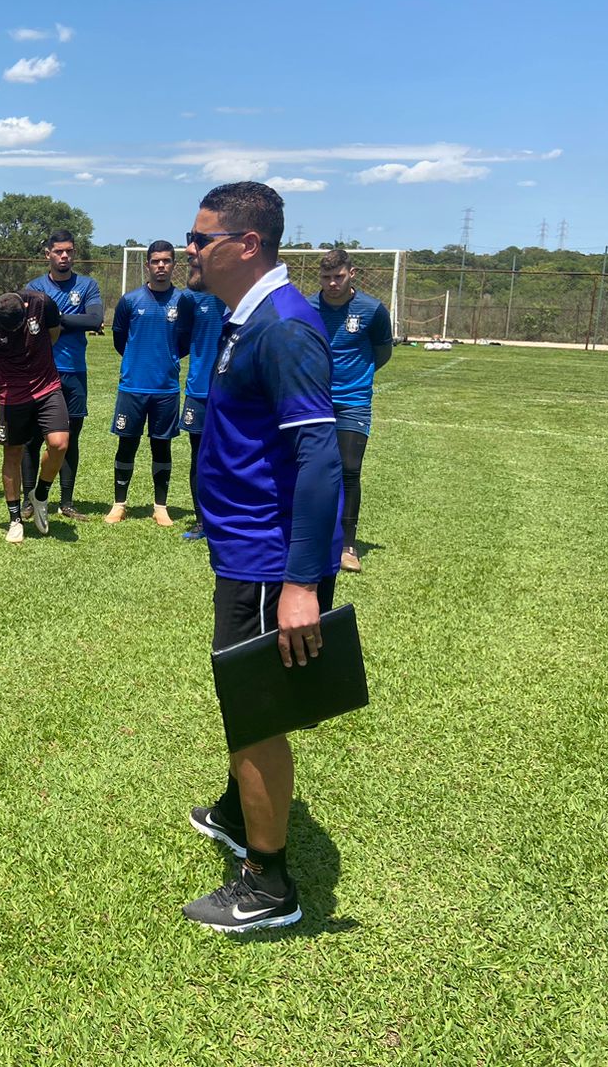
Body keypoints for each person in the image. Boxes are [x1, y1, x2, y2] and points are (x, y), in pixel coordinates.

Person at [181, 181, 342, 934]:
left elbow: (319, 457)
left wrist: (301, 583)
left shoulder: (284, 327)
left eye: (200, 236)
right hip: (242, 548)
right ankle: (235, 810)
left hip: (268, 560)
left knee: (255, 708)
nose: (188, 249)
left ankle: (269, 884)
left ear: (246, 245)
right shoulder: (240, 316)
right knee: (240, 690)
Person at [311, 249, 392, 572]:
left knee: (348, 469)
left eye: (338, 277)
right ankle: (307, 536)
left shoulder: (372, 310)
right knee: (309, 468)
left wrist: (358, 377)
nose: (332, 283)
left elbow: (382, 352)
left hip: (354, 401)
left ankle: (347, 545)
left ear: (352, 274)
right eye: (326, 277)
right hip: (313, 400)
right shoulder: (307, 307)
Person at [107, 240, 194, 527]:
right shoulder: (130, 301)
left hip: (166, 389)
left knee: (161, 447)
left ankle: (160, 506)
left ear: (174, 265)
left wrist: (166, 359)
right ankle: (119, 504)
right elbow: (120, 340)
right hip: (133, 386)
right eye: (155, 261)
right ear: (147, 264)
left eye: (166, 261)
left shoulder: (183, 301)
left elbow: (183, 343)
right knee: (127, 445)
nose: (161, 266)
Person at [0, 291, 68, 543]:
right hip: (12, 392)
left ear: (25, 308)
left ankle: (40, 495)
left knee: (59, 444)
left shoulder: (40, 302)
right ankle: (15, 519)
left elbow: (52, 334)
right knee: (12, 453)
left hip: (48, 386)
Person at [23, 231, 103, 519]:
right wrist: (73, 320)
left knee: (71, 439)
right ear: (48, 254)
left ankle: (66, 503)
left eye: (68, 251)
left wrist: (52, 318)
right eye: (58, 251)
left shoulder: (87, 285)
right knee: (32, 439)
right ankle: (29, 500)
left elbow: (94, 319)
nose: (64, 256)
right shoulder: (33, 287)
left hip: (75, 374)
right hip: (40, 373)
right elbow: (26, 323)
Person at [179, 259, 227, 541]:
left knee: (232, 455)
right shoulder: (190, 298)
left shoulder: (241, 296)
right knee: (200, 456)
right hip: (199, 390)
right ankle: (201, 519)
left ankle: (229, 517)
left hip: (232, 391)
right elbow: (181, 340)